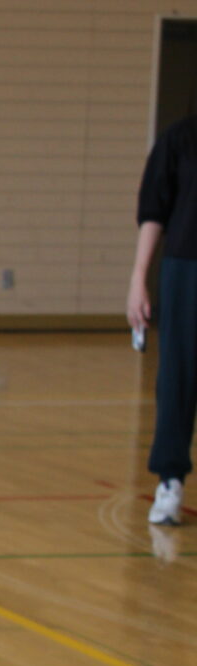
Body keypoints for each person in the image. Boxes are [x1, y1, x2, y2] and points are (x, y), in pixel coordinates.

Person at [130, 115, 197, 527]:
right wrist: (139, 277)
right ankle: (170, 480)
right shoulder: (180, 139)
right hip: (186, 269)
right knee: (177, 376)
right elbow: (154, 210)